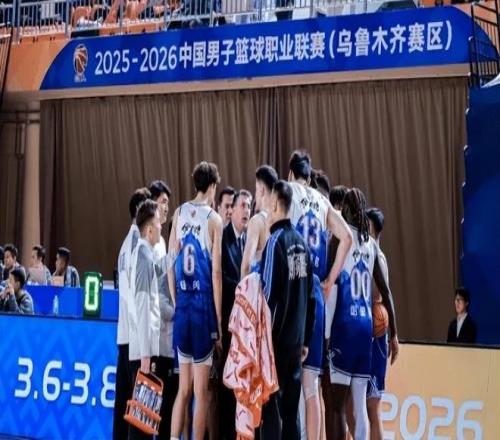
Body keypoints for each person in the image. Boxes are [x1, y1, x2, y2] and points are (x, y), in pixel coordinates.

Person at [287, 151, 352, 440]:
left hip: (294, 286)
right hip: (315, 287)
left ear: (291, 174)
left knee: (287, 380)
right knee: (311, 384)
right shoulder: (322, 201)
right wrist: (330, 280)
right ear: (310, 175)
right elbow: (346, 237)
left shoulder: (288, 191)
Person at [327, 188, 398, 440]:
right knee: (360, 404)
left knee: (336, 405)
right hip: (365, 328)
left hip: (343, 325)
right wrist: (394, 334)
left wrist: (326, 334)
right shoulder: (371, 245)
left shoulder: (339, 238)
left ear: (346, 210)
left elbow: (330, 286)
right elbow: (386, 291)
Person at [168, 161, 223, 440]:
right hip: (202, 309)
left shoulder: (178, 213)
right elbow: (216, 273)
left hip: (183, 307)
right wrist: (219, 320)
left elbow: (170, 262)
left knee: (183, 389)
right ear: (212, 186)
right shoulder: (214, 219)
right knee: (201, 392)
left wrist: (176, 298)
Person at [260, 180, 316, 440]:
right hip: (295, 343)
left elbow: (268, 297)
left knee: (270, 407)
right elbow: (311, 297)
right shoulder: (302, 244)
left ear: (275, 203)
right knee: (291, 412)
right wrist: (305, 339)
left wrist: (263, 343)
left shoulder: (275, 242)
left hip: (275, 343)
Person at [113, 187, 151, 440]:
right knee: (139, 413)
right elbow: (140, 299)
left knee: (123, 405)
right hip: (136, 340)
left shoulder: (125, 245)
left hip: (125, 336)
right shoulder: (139, 245)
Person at [128, 199, 162, 440]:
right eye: (158, 222)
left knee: (143, 420)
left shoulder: (145, 255)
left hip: (144, 349)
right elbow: (142, 306)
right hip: (144, 352)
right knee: (142, 421)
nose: (161, 226)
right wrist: (146, 356)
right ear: (149, 229)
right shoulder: (142, 257)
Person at [219, 189, 252, 440]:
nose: (246, 211)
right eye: (242, 206)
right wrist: (242, 289)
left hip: (247, 327)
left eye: (249, 206)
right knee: (226, 386)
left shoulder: (250, 240)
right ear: (231, 210)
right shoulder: (223, 238)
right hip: (228, 323)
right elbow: (220, 278)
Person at [149, 180, 178, 439]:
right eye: (163, 202)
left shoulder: (163, 245)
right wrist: (178, 313)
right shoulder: (150, 245)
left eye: (168, 203)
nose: (166, 208)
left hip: (168, 345)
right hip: (156, 343)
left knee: (167, 409)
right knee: (154, 410)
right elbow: (157, 298)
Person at [365, 207, 393, 440]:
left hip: (376, 333)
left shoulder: (376, 254)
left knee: (373, 407)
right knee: (360, 406)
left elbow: (380, 294)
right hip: (367, 331)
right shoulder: (369, 250)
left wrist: (393, 334)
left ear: (370, 226)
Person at [240, 165, 278, 278]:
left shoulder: (257, 221)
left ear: (262, 190)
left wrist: (242, 288)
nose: (255, 194)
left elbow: (246, 266)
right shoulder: (283, 219)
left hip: (262, 286)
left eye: (256, 189)